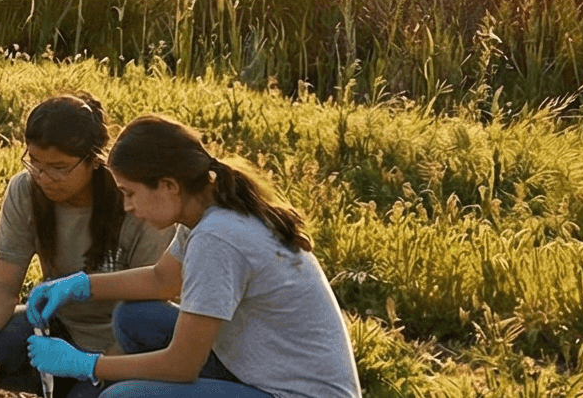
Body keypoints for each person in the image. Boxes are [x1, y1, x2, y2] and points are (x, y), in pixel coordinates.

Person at [21, 116, 357, 398]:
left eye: (130, 193)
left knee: (120, 397)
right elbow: (163, 280)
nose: (127, 206)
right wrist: (79, 285)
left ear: (168, 185)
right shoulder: (208, 210)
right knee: (136, 317)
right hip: (260, 369)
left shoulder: (218, 238)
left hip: (295, 393)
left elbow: (182, 365)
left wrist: (85, 364)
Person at [0, 95, 175, 398]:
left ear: (93, 160)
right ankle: (63, 384)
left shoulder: (134, 203)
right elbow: (4, 286)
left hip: (121, 339)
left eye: (59, 168)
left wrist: (92, 366)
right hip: (59, 327)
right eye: (35, 163)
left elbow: (149, 300)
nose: (44, 177)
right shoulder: (26, 190)